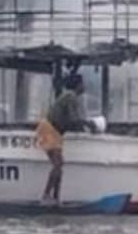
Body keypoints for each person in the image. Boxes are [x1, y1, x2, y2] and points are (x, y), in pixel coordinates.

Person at [38, 74, 98, 203]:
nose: (84, 86)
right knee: (58, 164)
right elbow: (73, 120)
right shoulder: (71, 97)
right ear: (77, 85)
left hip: (53, 131)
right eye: (82, 84)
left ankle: (55, 197)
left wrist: (84, 124)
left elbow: (72, 121)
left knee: (59, 165)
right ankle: (46, 196)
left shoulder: (70, 96)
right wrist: (88, 124)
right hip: (50, 130)